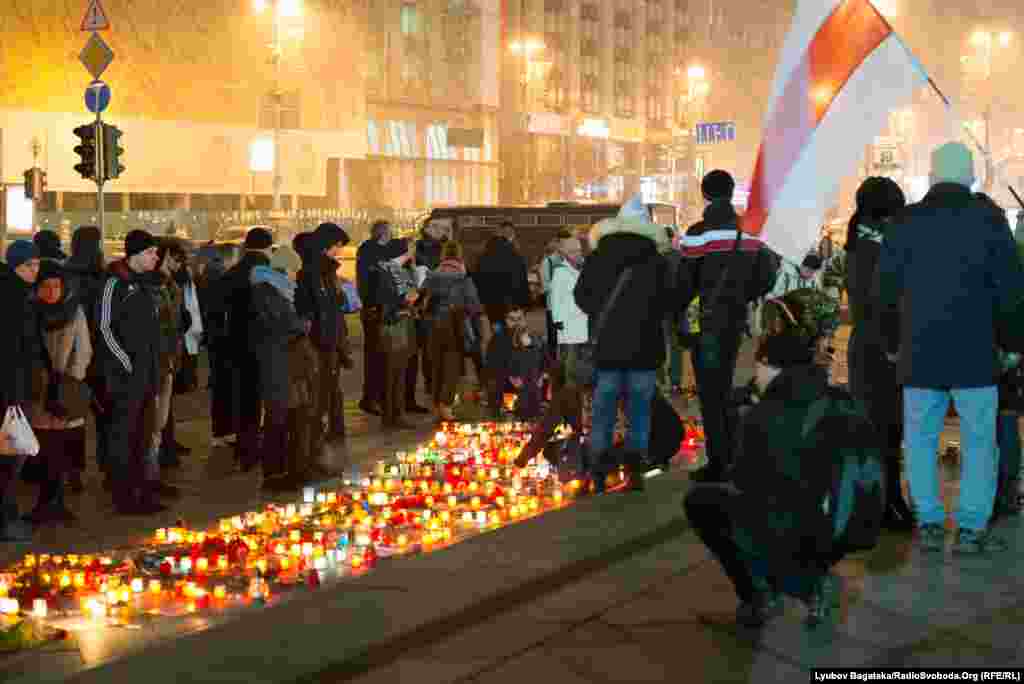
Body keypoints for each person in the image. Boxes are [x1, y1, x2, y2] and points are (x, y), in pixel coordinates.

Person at [684, 307, 883, 628]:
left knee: (703, 503)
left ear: (770, 367)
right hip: (848, 527)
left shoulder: (764, 415)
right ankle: (811, 577)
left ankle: (765, 593)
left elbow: (745, 482)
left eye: (759, 365)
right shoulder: (839, 399)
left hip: (796, 527)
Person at [877, 142, 1024, 554]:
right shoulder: (989, 220)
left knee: (920, 441)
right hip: (976, 353)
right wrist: (1012, 344)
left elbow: (884, 291)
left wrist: (891, 344)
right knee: (979, 442)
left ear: (931, 176)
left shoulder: (905, 221)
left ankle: (928, 522)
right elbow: (1010, 290)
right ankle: (972, 527)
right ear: (972, 177)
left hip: (919, 353)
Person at [677, 170, 778, 483]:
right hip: (737, 320)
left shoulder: (697, 233)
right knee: (734, 390)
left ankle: (719, 462)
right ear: (732, 193)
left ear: (705, 195)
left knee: (711, 394)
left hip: (706, 322)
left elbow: (683, 282)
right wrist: (743, 296)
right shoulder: (748, 232)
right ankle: (738, 458)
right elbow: (767, 274)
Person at [574, 196, 674, 492]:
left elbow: (582, 296)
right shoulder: (656, 260)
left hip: (607, 348)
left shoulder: (599, 256)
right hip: (644, 348)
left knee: (603, 411)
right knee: (639, 412)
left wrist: (602, 312)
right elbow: (669, 301)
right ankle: (634, 471)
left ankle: (598, 472)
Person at [844, 176, 913, 530]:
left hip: (866, 347)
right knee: (886, 431)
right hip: (883, 349)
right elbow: (882, 302)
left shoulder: (860, 239)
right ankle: (886, 505)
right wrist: (892, 346)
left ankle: (878, 504)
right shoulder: (878, 245)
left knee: (877, 431)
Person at [97, 230, 166, 515]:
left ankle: (142, 491)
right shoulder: (114, 283)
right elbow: (104, 328)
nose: (156, 257)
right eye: (150, 252)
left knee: (143, 435)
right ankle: (124, 496)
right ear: (135, 254)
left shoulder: (146, 284)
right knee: (123, 437)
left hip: (148, 374)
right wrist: (125, 362)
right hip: (125, 378)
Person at [27, 259, 92, 523]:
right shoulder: (28, 311)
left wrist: (71, 380)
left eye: (57, 285)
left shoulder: (74, 311)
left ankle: (56, 502)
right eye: (46, 286)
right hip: (37, 390)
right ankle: (45, 502)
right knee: (42, 447)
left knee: (61, 447)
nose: (52, 291)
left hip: (65, 390)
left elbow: (84, 349)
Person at [249, 247, 313, 491]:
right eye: (295, 270)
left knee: (290, 416)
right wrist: (302, 325)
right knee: (277, 418)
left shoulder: (278, 289)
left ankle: (291, 469)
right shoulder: (267, 291)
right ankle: (275, 474)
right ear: (285, 268)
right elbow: (280, 325)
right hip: (276, 362)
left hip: (286, 361)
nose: (296, 276)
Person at [215, 228, 275, 470]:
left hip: (235, 345)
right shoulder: (267, 274)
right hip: (262, 344)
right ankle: (255, 449)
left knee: (243, 399)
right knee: (260, 400)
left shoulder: (231, 274)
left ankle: (244, 449)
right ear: (267, 248)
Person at [295, 223, 354, 448]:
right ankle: (315, 438)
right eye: (337, 245)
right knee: (320, 390)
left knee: (330, 386)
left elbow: (335, 304)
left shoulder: (327, 271)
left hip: (331, 338)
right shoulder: (313, 273)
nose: (339, 250)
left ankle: (333, 429)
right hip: (322, 340)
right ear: (325, 245)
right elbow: (317, 309)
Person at [0, 240, 42, 540]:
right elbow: (11, 350)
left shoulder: (21, 293)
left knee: (12, 454)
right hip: (9, 390)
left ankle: (9, 515)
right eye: (30, 265)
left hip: (15, 387)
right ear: (16, 266)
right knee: (10, 454)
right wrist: (13, 394)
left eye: (37, 264)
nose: (35, 270)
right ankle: (6, 520)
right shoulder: (11, 296)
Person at [62, 225, 106, 491]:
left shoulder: (66, 274)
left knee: (73, 418)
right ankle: (106, 466)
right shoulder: (101, 277)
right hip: (98, 356)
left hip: (74, 356)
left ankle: (73, 472)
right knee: (104, 416)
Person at [421, 240, 482, 421]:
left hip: (433, 325)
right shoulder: (463, 277)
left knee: (436, 366)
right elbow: (474, 305)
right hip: (455, 325)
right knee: (452, 367)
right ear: (459, 256)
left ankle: (436, 404)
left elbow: (420, 299)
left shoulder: (432, 275)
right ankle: (445, 405)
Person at [375, 239, 420, 429]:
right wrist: (406, 302)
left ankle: (394, 414)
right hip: (394, 328)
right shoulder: (389, 272)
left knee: (396, 372)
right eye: (409, 250)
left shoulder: (395, 270)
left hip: (399, 325)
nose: (412, 252)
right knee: (394, 373)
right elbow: (388, 303)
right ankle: (393, 415)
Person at [356, 220, 395, 416]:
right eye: (389, 232)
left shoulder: (374, 251)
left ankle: (377, 397)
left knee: (380, 355)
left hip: (379, 308)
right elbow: (369, 281)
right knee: (375, 355)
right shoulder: (369, 251)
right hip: (374, 309)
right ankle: (370, 398)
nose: (392, 235)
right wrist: (371, 305)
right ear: (382, 234)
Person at [485, 306, 546, 421]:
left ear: (524, 319)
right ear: (506, 320)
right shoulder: (497, 340)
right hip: (506, 382)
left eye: (519, 318)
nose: (517, 322)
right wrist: (510, 376)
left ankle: (534, 410)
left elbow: (543, 360)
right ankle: (503, 410)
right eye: (512, 319)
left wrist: (542, 374)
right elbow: (492, 366)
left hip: (530, 380)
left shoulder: (533, 338)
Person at [473, 221, 530, 341]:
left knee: (497, 330)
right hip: (511, 301)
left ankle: (498, 346)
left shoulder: (484, 255)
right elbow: (521, 279)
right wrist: (525, 302)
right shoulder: (514, 254)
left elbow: (478, 279)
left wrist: (482, 300)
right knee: (513, 330)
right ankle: (511, 348)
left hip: (492, 302)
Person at [548, 235, 588, 391]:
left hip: (582, 320)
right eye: (574, 251)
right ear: (566, 254)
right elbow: (555, 298)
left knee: (579, 358)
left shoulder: (582, 269)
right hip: (568, 322)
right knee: (569, 358)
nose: (578, 254)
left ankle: (577, 386)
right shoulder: (560, 272)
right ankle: (568, 389)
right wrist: (557, 320)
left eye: (579, 251)